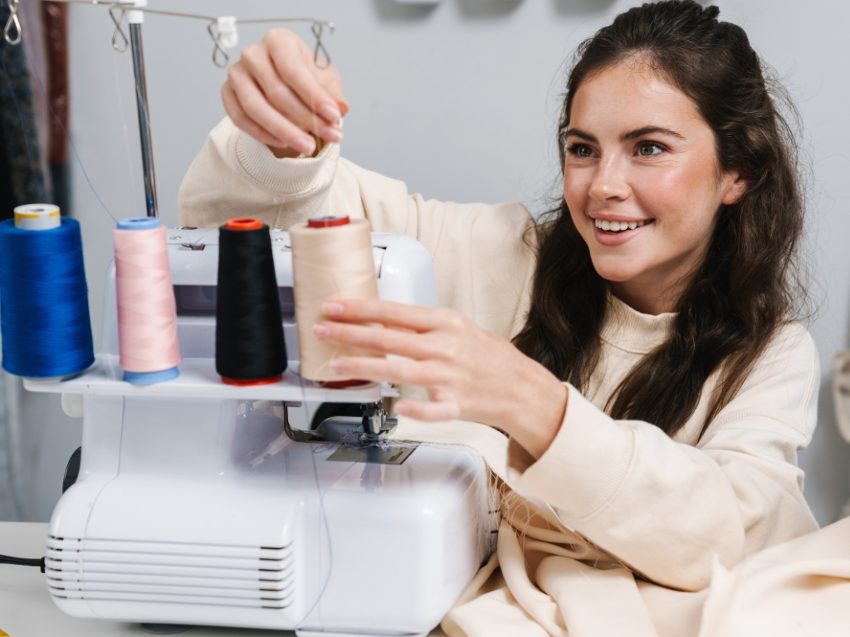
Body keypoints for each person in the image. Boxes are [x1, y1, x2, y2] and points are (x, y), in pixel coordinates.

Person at [179, 2, 831, 635]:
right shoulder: (502, 254)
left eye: (648, 148)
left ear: (738, 170)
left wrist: (535, 405)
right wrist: (282, 142)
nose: (602, 184)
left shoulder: (769, 355)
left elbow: (728, 528)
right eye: (582, 148)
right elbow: (283, 217)